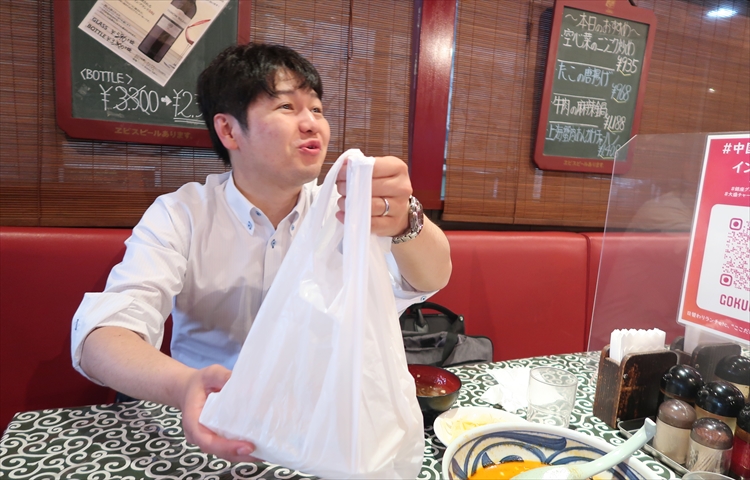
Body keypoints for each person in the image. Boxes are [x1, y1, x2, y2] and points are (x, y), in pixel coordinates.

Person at [70, 43, 452, 463]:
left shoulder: (341, 211)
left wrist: (404, 219)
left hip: (316, 429)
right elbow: (102, 336)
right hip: (209, 423)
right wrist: (185, 386)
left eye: (317, 109)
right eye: (287, 107)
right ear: (229, 131)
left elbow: (429, 278)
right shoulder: (183, 214)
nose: (312, 124)